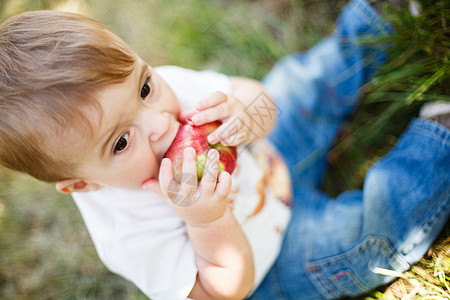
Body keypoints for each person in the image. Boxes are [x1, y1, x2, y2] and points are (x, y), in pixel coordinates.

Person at [0, 0, 448, 299]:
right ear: (83, 183)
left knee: (297, 86)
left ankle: (372, 24)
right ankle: (437, 143)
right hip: (273, 255)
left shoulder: (155, 94)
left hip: (270, 156)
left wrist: (246, 114)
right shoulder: (127, 234)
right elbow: (224, 290)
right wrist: (206, 219)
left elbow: (258, 101)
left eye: (145, 87)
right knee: (367, 238)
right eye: (120, 142)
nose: (160, 123)